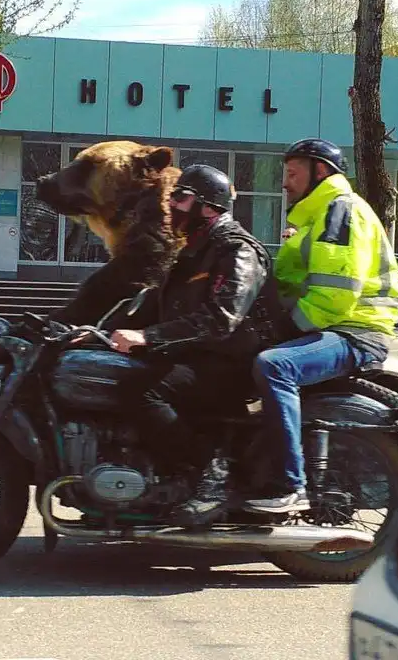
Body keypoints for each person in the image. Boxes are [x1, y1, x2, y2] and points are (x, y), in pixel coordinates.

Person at [108, 164, 281, 525]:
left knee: (142, 391)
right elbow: (155, 306)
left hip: (230, 365)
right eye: (172, 197)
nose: (172, 205)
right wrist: (95, 330)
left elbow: (221, 318)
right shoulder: (195, 251)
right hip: (198, 356)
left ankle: (212, 476)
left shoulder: (236, 250)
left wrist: (149, 337)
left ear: (209, 206)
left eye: (181, 198)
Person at [243, 138, 398, 515]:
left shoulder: (340, 211)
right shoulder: (315, 218)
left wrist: (285, 331)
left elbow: (335, 292)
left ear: (320, 172)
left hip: (354, 332)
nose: (285, 182)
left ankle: (291, 484)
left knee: (274, 365)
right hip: (333, 327)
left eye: (293, 173)